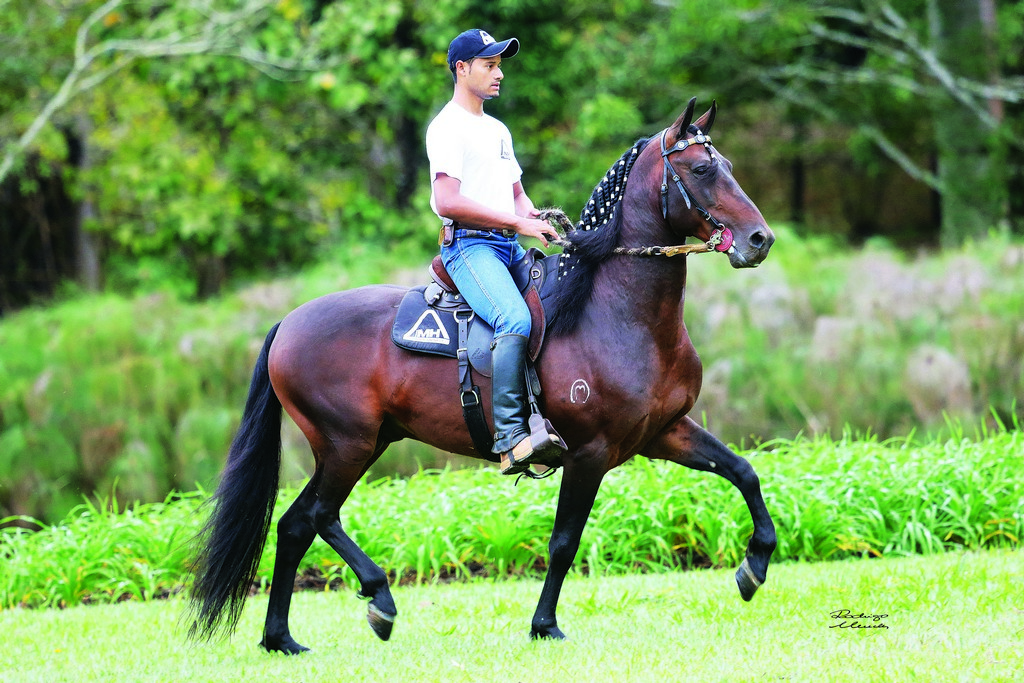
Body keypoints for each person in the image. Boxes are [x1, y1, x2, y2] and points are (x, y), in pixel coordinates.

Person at [426, 28, 566, 474]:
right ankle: (510, 440)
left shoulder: (498, 130)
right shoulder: (447, 127)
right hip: (469, 247)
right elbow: (448, 200)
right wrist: (517, 222)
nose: (498, 73)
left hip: (507, 244)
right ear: (461, 68)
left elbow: (517, 196)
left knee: (556, 304)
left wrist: (536, 220)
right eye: (489, 65)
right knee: (514, 319)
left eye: (499, 65)